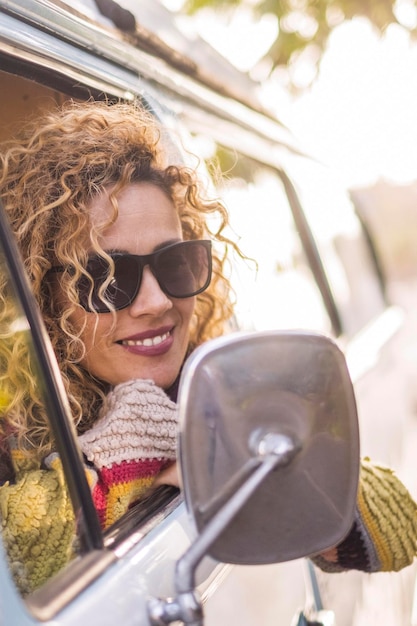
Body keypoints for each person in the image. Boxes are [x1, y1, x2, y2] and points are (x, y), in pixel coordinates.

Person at [0, 99, 415, 597]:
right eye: (107, 278)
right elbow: (19, 562)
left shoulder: (220, 378)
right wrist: (133, 449)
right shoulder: (12, 423)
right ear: (44, 299)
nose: (157, 302)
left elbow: (398, 526)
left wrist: (227, 446)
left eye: (176, 263)